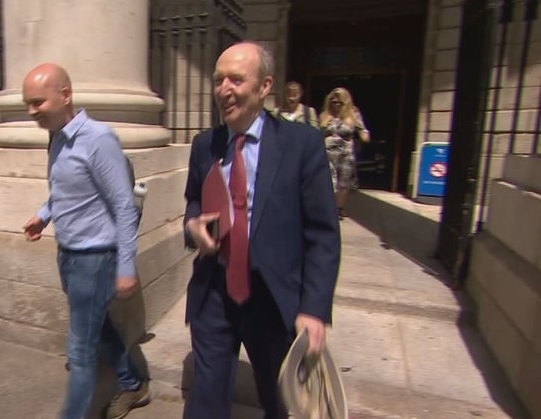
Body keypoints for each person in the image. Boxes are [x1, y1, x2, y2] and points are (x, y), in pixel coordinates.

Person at [182, 42, 341, 419]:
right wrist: (193, 228)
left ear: (265, 86)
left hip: (272, 297)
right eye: (219, 80)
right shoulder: (205, 145)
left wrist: (314, 308)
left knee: (280, 401)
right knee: (204, 401)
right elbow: (192, 202)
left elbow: (323, 234)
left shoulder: (302, 144)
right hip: (214, 292)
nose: (225, 89)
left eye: (236, 79)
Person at [21, 63, 149, 419]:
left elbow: (124, 205)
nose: (31, 112)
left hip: (95, 261)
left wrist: (126, 268)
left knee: (79, 352)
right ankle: (133, 382)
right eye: (27, 104)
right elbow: (65, 189)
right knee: (101, 329)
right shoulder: (57, 137)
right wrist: (44, 215)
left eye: (37, 102)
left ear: (65, 95)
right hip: (69, 257)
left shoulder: (98, 139)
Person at [319, 87, 370, 219]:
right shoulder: (325, 115)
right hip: (328, 153)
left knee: (343, 183)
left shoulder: (353, 114)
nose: (336, 105)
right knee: (330, 182)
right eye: (333, 102)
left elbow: (362, 129)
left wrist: (364, 135)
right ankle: (329, 208)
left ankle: (338, 208)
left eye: (339, 103)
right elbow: (317, 132)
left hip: (345, 155)